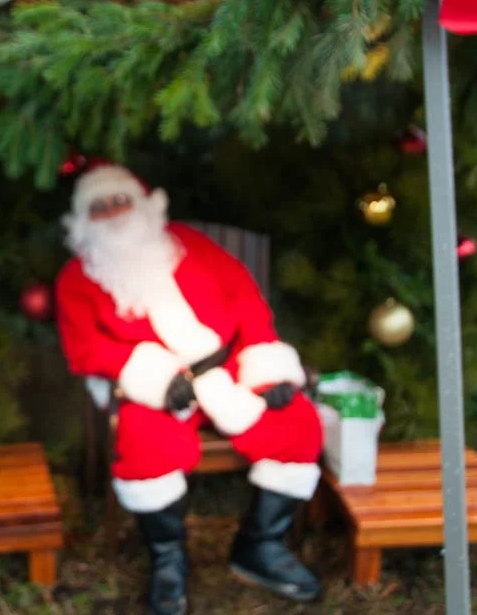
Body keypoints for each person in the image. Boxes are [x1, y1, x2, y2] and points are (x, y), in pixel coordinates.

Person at [54, 158, 323, 613]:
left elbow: (246, 301)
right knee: (144, 447)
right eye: (101, 207)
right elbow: (85, 350)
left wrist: (266, 365)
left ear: (143, 204)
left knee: (295, 422)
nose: (115, 213)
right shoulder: (77, 280)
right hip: (158, 388)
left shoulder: (190, 246)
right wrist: (149, 374)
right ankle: (168, 560)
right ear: (84, 220)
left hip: (229, 367)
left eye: (122, 200)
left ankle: (260, 546)